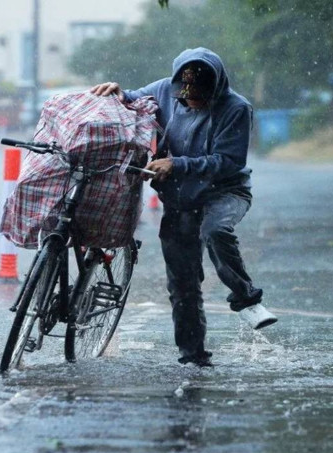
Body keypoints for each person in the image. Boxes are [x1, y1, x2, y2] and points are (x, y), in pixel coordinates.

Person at [91, 47, 277, 367]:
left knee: (216, 230)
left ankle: (245, 298)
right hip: (178, 198)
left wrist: (177, 165)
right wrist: (118, 93)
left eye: (199, 97)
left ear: (215, 88)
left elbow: (229, 161)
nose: (191, 102)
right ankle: (193, 356)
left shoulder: (236, 108)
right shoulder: (164, 89)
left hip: (224, 192)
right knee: (183, 284)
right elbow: (135, 99)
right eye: (185, 97)